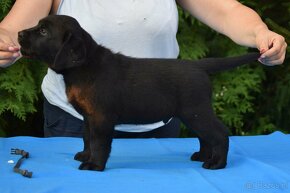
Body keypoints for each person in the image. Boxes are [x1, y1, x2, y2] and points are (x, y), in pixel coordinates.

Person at [0, 0, 287, 138]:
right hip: (76, 123)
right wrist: (4, 43)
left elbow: (226, 10)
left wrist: (260, 33)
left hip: (157, 118)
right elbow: (14, 28)